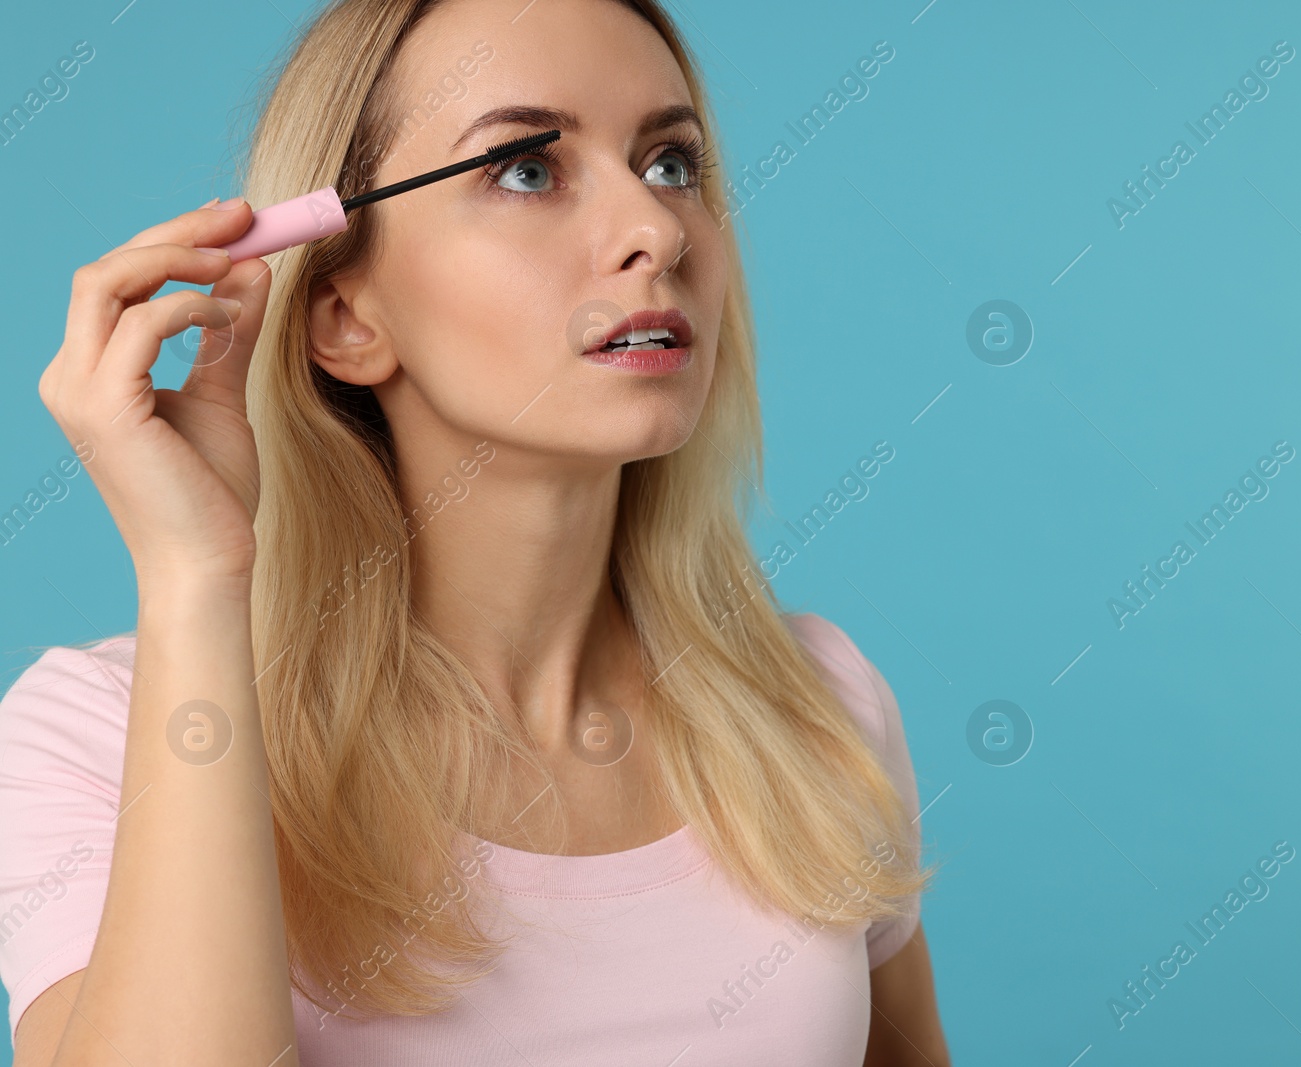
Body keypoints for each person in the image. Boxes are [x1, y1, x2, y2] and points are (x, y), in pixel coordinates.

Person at [0, 0, 951, 1063]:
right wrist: (195, 574)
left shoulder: (816, 708)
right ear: (346, 319)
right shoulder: (102, 734)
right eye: (528, 169)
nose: (658, 229)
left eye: (672, 162)